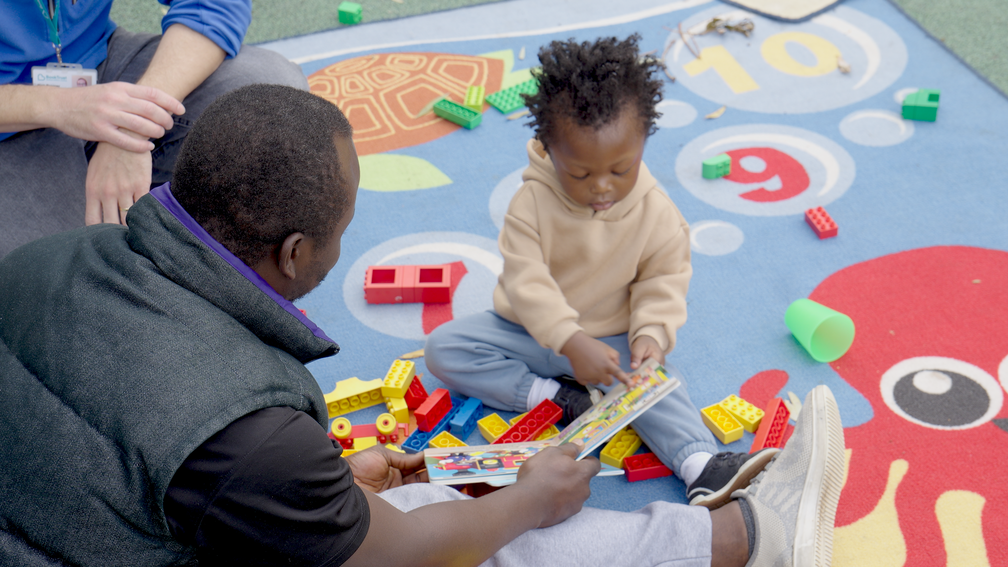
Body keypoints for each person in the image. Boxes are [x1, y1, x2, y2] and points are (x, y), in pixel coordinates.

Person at [0, 84, 844, 567]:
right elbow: (390, 559)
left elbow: (125, 441)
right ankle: (748, 539)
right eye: (342, 229)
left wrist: (325, 482)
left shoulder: (48, 258)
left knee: (431, 501)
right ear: (297, 253)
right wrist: (524, 502)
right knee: (475, 531)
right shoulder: (249, 431)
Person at [424, 35, 772, 511]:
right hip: (527, 330)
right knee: (444, 348)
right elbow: (528, 283)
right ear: (549, 150)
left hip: (611, 340)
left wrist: (650, 334)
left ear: (644, 142)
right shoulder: (530, 202)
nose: (603, 187)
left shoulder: (657, 211)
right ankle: (558, 397)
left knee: (656, 384)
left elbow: (662, 280)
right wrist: (568, 341)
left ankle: (700, 467)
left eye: (621, 168)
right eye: (581, 174)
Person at [0, 0, 307, 258]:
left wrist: (132, 126)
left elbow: (213, 4)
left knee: (275, 101)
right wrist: (62, 105)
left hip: (96, 62)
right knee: (53, 273)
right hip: (10, 120)